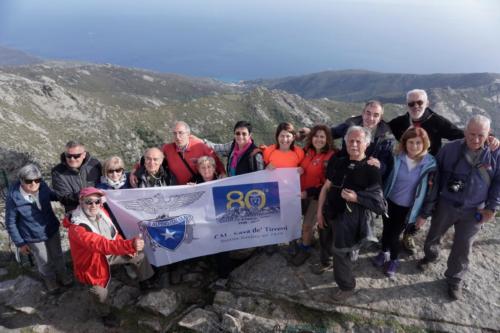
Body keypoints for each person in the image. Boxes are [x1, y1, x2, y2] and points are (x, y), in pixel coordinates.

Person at [417, 115, 499, 301]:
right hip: (446, 203)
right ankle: (431, 255)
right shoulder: (450, 149)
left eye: (481, 135)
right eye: (472, 134)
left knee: (464, 246)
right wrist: (429, 206)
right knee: (434, 234)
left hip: (475, 209)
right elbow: (435, 178)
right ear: (464, 131)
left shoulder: (495, 154)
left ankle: (455, 279)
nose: (476, 139)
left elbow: (498, 183)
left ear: (488, 135)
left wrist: (491, 208)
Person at [63, 187, 155, 325]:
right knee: (99, 293)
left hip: (110, 252)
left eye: (97, 201)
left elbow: (113, 234)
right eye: (89, 202)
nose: (94, 205)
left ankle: (146, 281)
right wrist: (129, 245)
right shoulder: (77, 228)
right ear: (81, 202)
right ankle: (105, 313)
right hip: (93, 263)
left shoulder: (102, 212)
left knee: (138, 255)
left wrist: (125, 246)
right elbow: (101, 244)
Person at [317, 126, 386, 301]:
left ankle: (347, 286)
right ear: (345, 142)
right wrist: (319, 212)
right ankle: (328, 264)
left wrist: (357, 198)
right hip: (330, 212)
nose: (354, 144)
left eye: (358, 141)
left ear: (367, 143)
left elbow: (379, 205)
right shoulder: (340, 161)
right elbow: (326, 186)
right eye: (350, 141)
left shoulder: (371, 169)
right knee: (327, 243)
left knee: (341, 252)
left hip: (349, 221)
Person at [372, 127, 438, 279]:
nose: (414, 146)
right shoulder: (396, 157)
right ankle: (384, 252)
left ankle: (394, 259)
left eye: (418, 143)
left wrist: (424, 214)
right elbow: (385, 172)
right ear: (404, 143)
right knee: (386, 231)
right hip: (389, 202)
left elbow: (432, 192)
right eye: (411, 142)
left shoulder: (430, 164)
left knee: (395, 235)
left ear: (424, 144)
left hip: (408, 208)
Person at [5, 164, 72, 293]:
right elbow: (11, 223)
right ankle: (50, 281)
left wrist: (67, 196)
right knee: (44, 260)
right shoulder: (14, 198)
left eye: (37, 180)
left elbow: (52, 196)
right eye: (29, 181)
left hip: (51, 228)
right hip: (33, 235)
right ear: (21, 181)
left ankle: (63, 276)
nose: (34, 184)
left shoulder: (43, 187)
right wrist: (20, 243)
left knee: (58, 255)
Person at [290, 125, 335, 268]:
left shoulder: (331, 156)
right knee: (296, 221)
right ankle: (307, 240)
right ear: (311, 138)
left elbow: (327, 184)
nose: (319, 139)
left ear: (327, 139)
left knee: (307, 224)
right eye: (316, 136)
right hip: (301, 192)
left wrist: (308, 193)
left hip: (317, 196)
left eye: (322, 137)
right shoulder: (307, 151)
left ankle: (305, 249)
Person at [331, 100, 395, 181]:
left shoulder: (386, 138)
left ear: (380, 118)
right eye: (368, 113)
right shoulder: (350, 126)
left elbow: (385, 165)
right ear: (363, 113)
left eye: (376, 115)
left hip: (364, 179)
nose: (371, 118)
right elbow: (330, 133)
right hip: (343, 171)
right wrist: (312, 132)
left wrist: (379, 165)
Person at [161, 121, 225, 184]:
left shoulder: (200, 146)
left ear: (188, 134)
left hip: (198, 186)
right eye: (175, 133)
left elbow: (216, 161)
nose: (177, 137)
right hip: (179, 189)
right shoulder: (167, 149)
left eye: (180, 133)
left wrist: (222, 173)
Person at [52, 141, 102, 212]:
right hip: (75, 212)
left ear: (84, 155)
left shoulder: (94, 164)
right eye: (68, 156)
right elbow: (63, 198)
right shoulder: (57, 172)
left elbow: (103, 183)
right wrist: (84, 195)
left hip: (98, 208)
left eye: (76, 156)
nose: (72, 159)